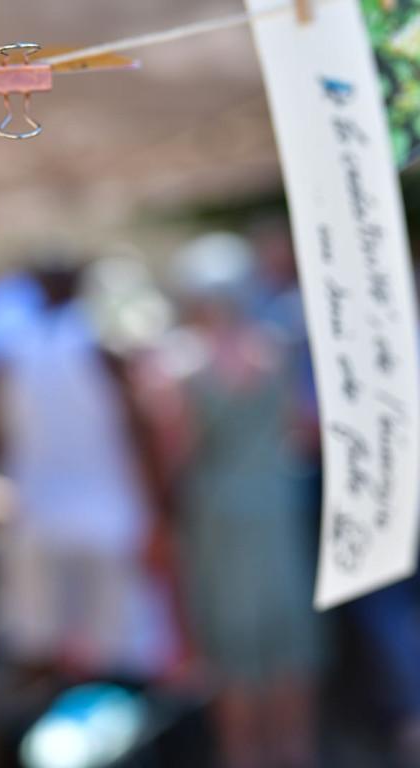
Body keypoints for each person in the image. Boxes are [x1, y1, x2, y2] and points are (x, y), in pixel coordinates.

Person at [0, 257, 178, 686]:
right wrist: (159, 512)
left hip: (38, 520)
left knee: (46, 652)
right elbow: (139, 431)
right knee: (121, 656)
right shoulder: (98, 346)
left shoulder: (12, 353)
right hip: (107, 520)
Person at [170, 232, 319, 768]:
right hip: (276, 509)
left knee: (233, 653)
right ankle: (295, 751)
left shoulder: (187, 367)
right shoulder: (273, 348)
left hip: (219, 521)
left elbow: (179, 450)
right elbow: (299, 431)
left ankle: (244, 755)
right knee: (288, 646)